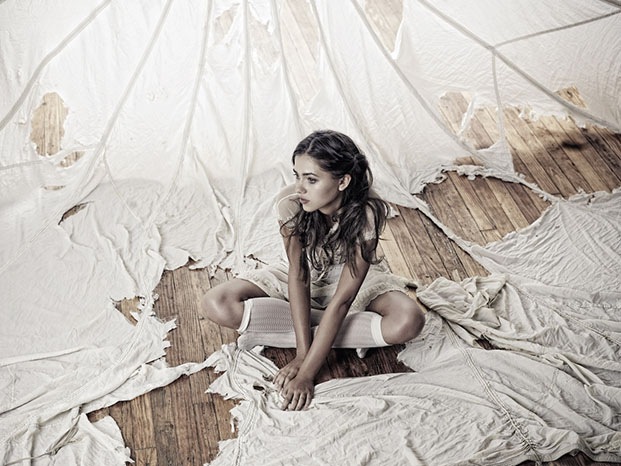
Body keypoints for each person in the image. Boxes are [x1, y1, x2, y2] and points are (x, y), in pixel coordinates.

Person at [201, 130, 425, 411]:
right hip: (304, 275)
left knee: (409, 320)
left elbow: (343, 299)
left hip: (351, 282)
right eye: (297, 176)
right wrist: (302, 354)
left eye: (311, 179)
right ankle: (332, 333)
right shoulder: (290, 203)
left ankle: (307, 330)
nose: (300, 188)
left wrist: (307, 372)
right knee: (216, 303)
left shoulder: (368, 210)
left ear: (343, 181)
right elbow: (298, 275)